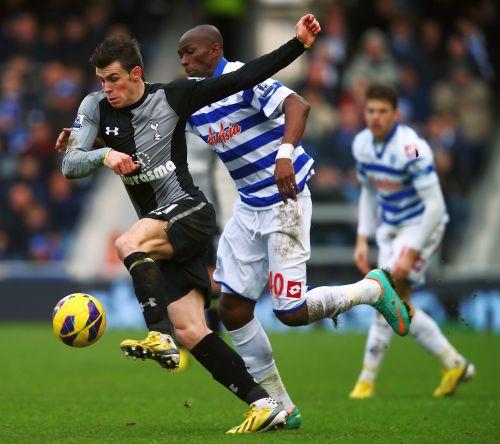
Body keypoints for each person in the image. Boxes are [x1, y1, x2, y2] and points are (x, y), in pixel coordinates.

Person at [56, 21, 411, 430]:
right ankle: (276, 406)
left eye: (190, 54)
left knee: (290, 311)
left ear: (214, 50)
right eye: (180, 56)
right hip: (247, 207)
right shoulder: (188, 101)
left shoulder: (235, 80)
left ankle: (371, 288)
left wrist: (285, 147)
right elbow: (148, 132)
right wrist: (95, 144)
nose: (184, 61)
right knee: (231, 310)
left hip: (285, 196)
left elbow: (296, 104)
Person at [349, 83, 475, 399]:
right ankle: (454, 362)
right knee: (397, 303)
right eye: (371, 111)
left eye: (382, 112)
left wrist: (412, 251)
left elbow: (436, 206)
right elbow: (368, 192)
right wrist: (362, 238)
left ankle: (366, 379)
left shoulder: (413, 148)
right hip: (389, 230)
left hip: (422, 227)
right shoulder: (362, 144)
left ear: (396, 114)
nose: (375, 117)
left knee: (384, 295)